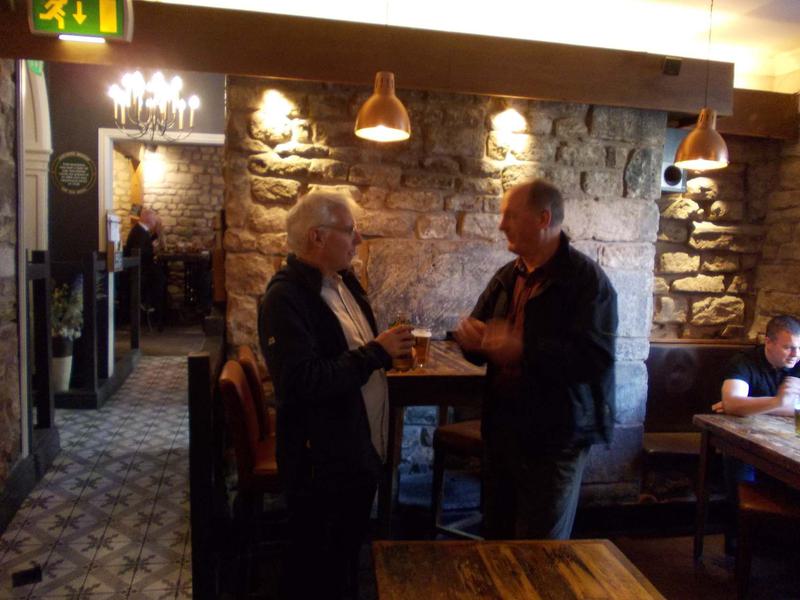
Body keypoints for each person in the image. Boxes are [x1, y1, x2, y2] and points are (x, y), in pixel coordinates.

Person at [258, 190, 413, 600]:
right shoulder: (285, 297)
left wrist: (384, 354)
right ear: (317, 236)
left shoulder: (342, 281)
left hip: (356, 454)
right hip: (322, 465)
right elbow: (301, 381)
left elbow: (353, 353)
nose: (358, 239)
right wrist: (377, 352)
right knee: (318, 570)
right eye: (350, 230)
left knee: (344, 561)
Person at [454, 179, 617, 540]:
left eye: (510, 216)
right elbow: (480, 342)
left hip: (555, 439)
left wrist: (523, 348)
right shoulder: (507, 276)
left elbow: (595, 359)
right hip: (503, 430)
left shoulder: (587, 282)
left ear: (544, 218)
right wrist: (472, 340)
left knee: (538, 551)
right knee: (496, 540)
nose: (501, 225)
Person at [711, 314, 800, 553]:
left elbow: (733, 405)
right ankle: (739, 537)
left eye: (799, 348)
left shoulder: (798, 362)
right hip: (743, 439)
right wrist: (779, 402)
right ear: (768, 342)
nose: (795, 354)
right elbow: (733, 402)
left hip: (784, 440)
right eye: (788, 347)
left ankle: (781, 542)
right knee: (741, 464)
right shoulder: (744, 362)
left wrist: (749, 405)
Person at [124, 207, 167, 328]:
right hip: (139, 273)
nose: (155, 222)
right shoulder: (140, 232)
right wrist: (153, 250)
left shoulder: (140, 230)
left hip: (140, 270)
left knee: (161, 276)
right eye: (154, 220)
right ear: (149, 219)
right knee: (160, 279)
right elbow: (141, 254)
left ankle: (154, 310)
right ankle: (156, 314)